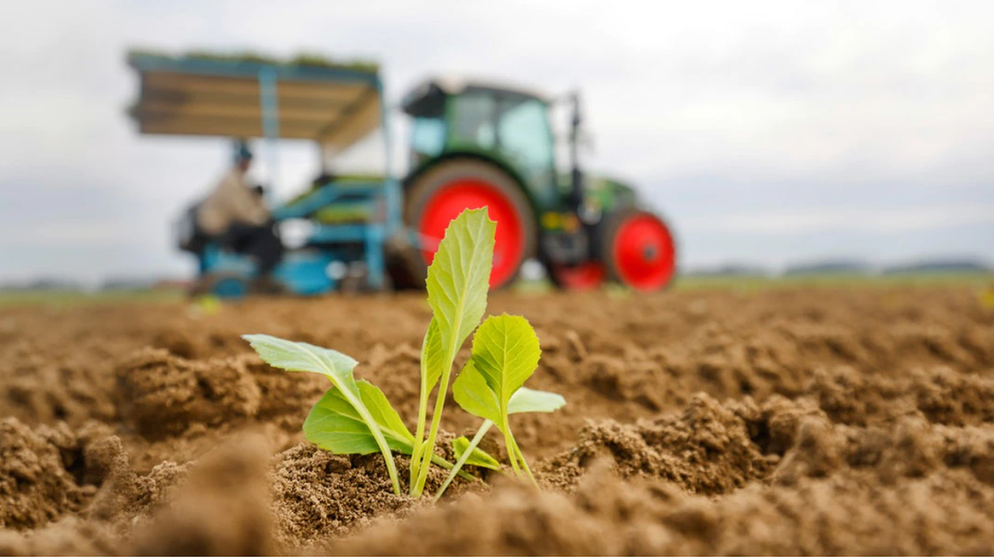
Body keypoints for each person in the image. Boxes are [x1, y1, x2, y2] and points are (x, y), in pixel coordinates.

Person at [196, 141, 284, 290]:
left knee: (263, 230)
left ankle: (259, 268)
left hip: (223, 225)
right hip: (218, 227)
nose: (249, 165)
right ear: (242, 161)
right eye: (247, 161)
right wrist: (264, 216)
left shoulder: (237, 180)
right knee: (267, 234)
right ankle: (262, 272)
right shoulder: (232, 181)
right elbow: (244, 213)